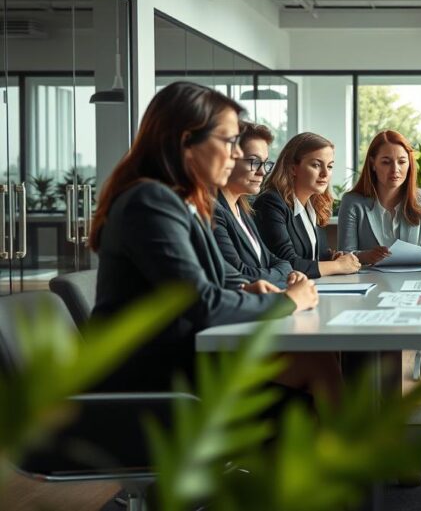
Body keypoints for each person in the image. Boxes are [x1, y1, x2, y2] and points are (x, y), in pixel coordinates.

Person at [88, 82, 327, 395]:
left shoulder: (183, 202)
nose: (238, 153)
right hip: (153, 382)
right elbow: (202, 302)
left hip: (181, 358)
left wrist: (244, 288)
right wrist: (286, 301)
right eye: (229, 140)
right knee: (316, 367)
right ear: (187, 142)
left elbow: (216, 280)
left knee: (317, 363)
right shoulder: (150, 202)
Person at [213, 121, 307, 289]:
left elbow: (276, 260)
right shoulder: (214, 211)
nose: (262, 172)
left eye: (265, 163)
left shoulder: (243, 209)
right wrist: (283, 274)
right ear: (229, 159)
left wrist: (286, 272)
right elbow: (238, 275)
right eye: (254, 162)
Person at [253, 132, 361, 278]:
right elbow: (288, 264)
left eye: (329, 167)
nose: (325, 174)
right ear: (293, 168)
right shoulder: (271, 203)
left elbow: (316, 258)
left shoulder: (313, 206)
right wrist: (337, 266)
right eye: (316, 165)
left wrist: (331, 259)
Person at [337, 130, 421, 266]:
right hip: (368, 280)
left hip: (412, 281)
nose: (395, 169)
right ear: (372, 164)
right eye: (386, 162)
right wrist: (367, 256)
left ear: (409, 164)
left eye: (402, 162)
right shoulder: (352, 202)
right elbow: (344, 254)